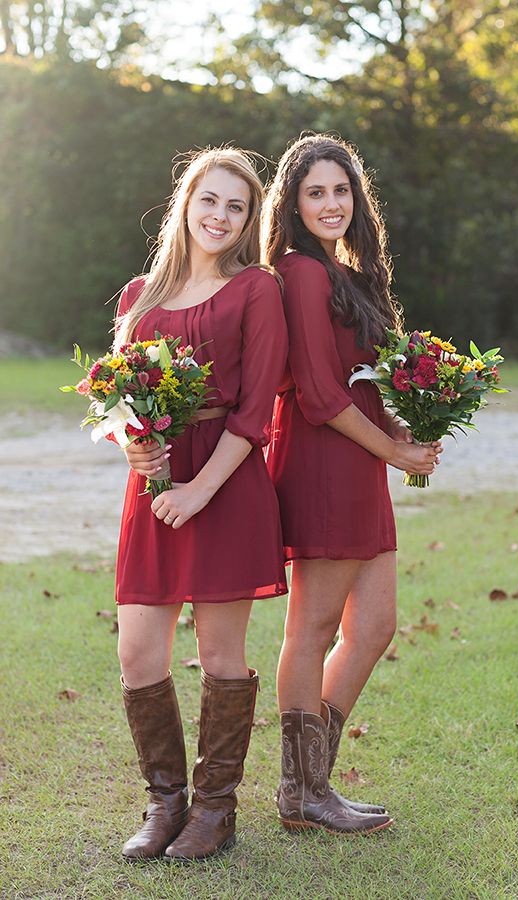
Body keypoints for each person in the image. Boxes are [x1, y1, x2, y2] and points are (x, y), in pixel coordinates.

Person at [112, 147, 288, 861]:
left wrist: (201, 489)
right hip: (153, 489)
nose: (220, 215)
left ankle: (216, 809)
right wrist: (134, 446)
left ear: (247, 221)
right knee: (136, 652)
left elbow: (257, 411)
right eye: (209, 200)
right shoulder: (138, 297)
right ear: (185, 202)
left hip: (224, 481)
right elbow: (120, 400)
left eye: (236, 206)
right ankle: (165, 803)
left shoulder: (257, 291)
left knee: (220, 654)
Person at [263, 134, 442, 834]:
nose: (331, 203)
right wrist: (393, 456)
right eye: (317, 193)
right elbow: (315, 394)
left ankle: (309, 784)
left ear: (356, 198)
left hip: (361, 459)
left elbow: (358, 382)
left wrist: (403, 428)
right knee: (311, 625)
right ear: (295, 202)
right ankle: (302, 791)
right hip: (323, 462)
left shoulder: (348, 271)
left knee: (372, 626)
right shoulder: (301, 271)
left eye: (341, 191)